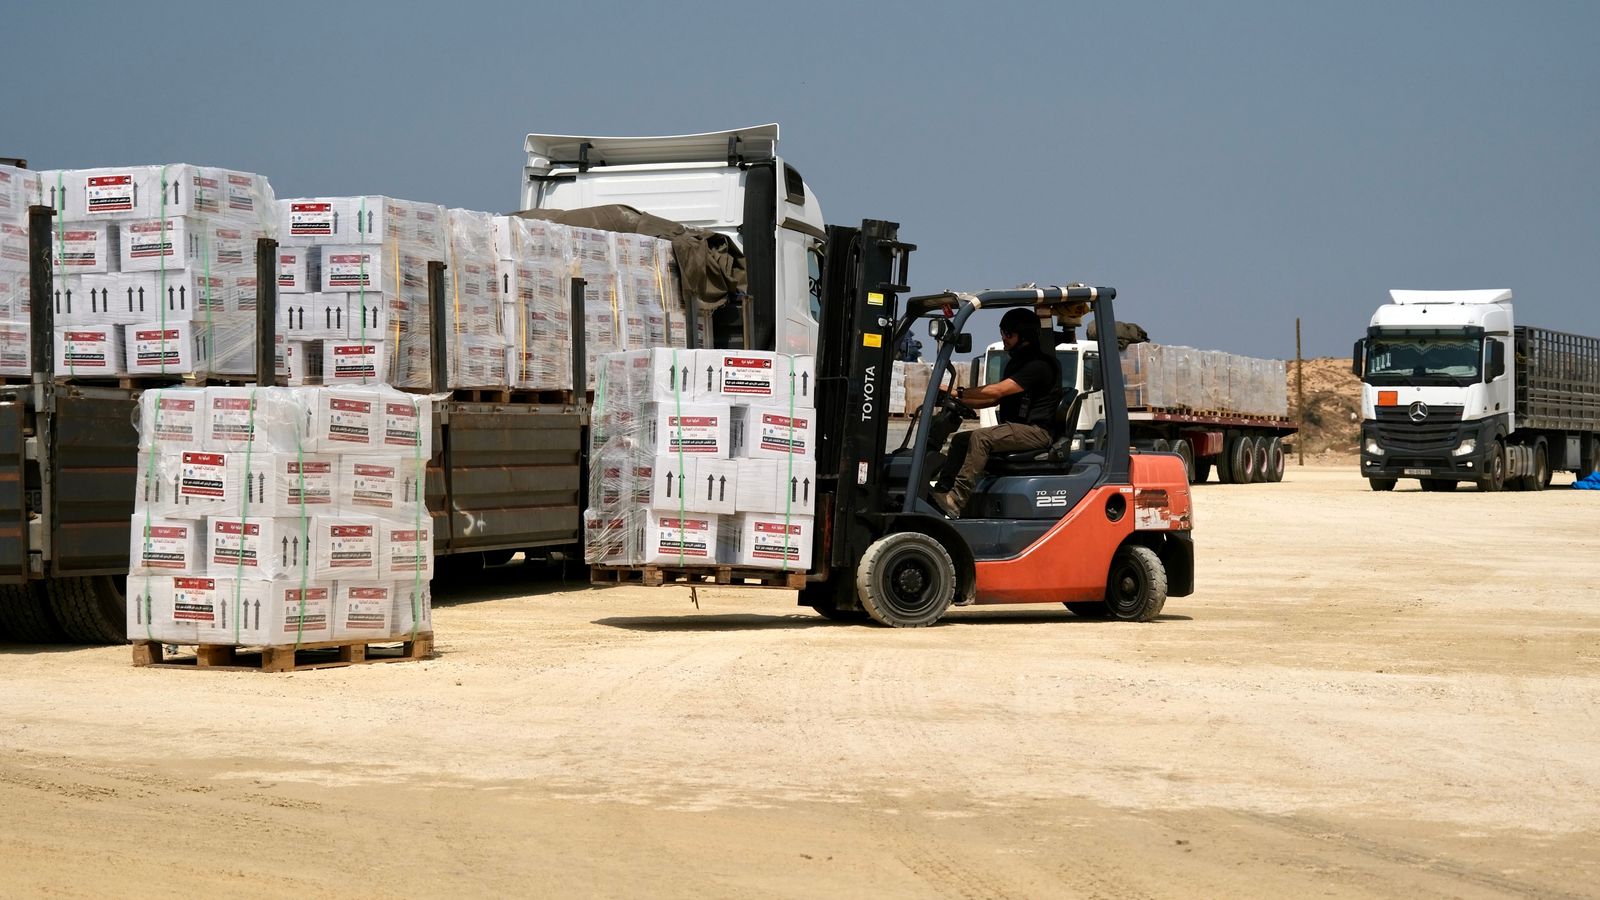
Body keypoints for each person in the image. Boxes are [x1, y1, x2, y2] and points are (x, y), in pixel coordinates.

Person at [930, 308, 1061, 518]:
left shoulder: (1038, 365)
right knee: (961, 440)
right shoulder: (1017, 362)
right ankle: (942, 491)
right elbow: (993, 399)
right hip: (1018, 428)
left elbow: (998, 390)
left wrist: (958, 391)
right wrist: (955, 399)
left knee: (981, 438)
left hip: (1036, 431)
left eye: (1008, 334)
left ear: (1024, 334)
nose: (1004, 338)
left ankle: (956, 499)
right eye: (1002, 332)